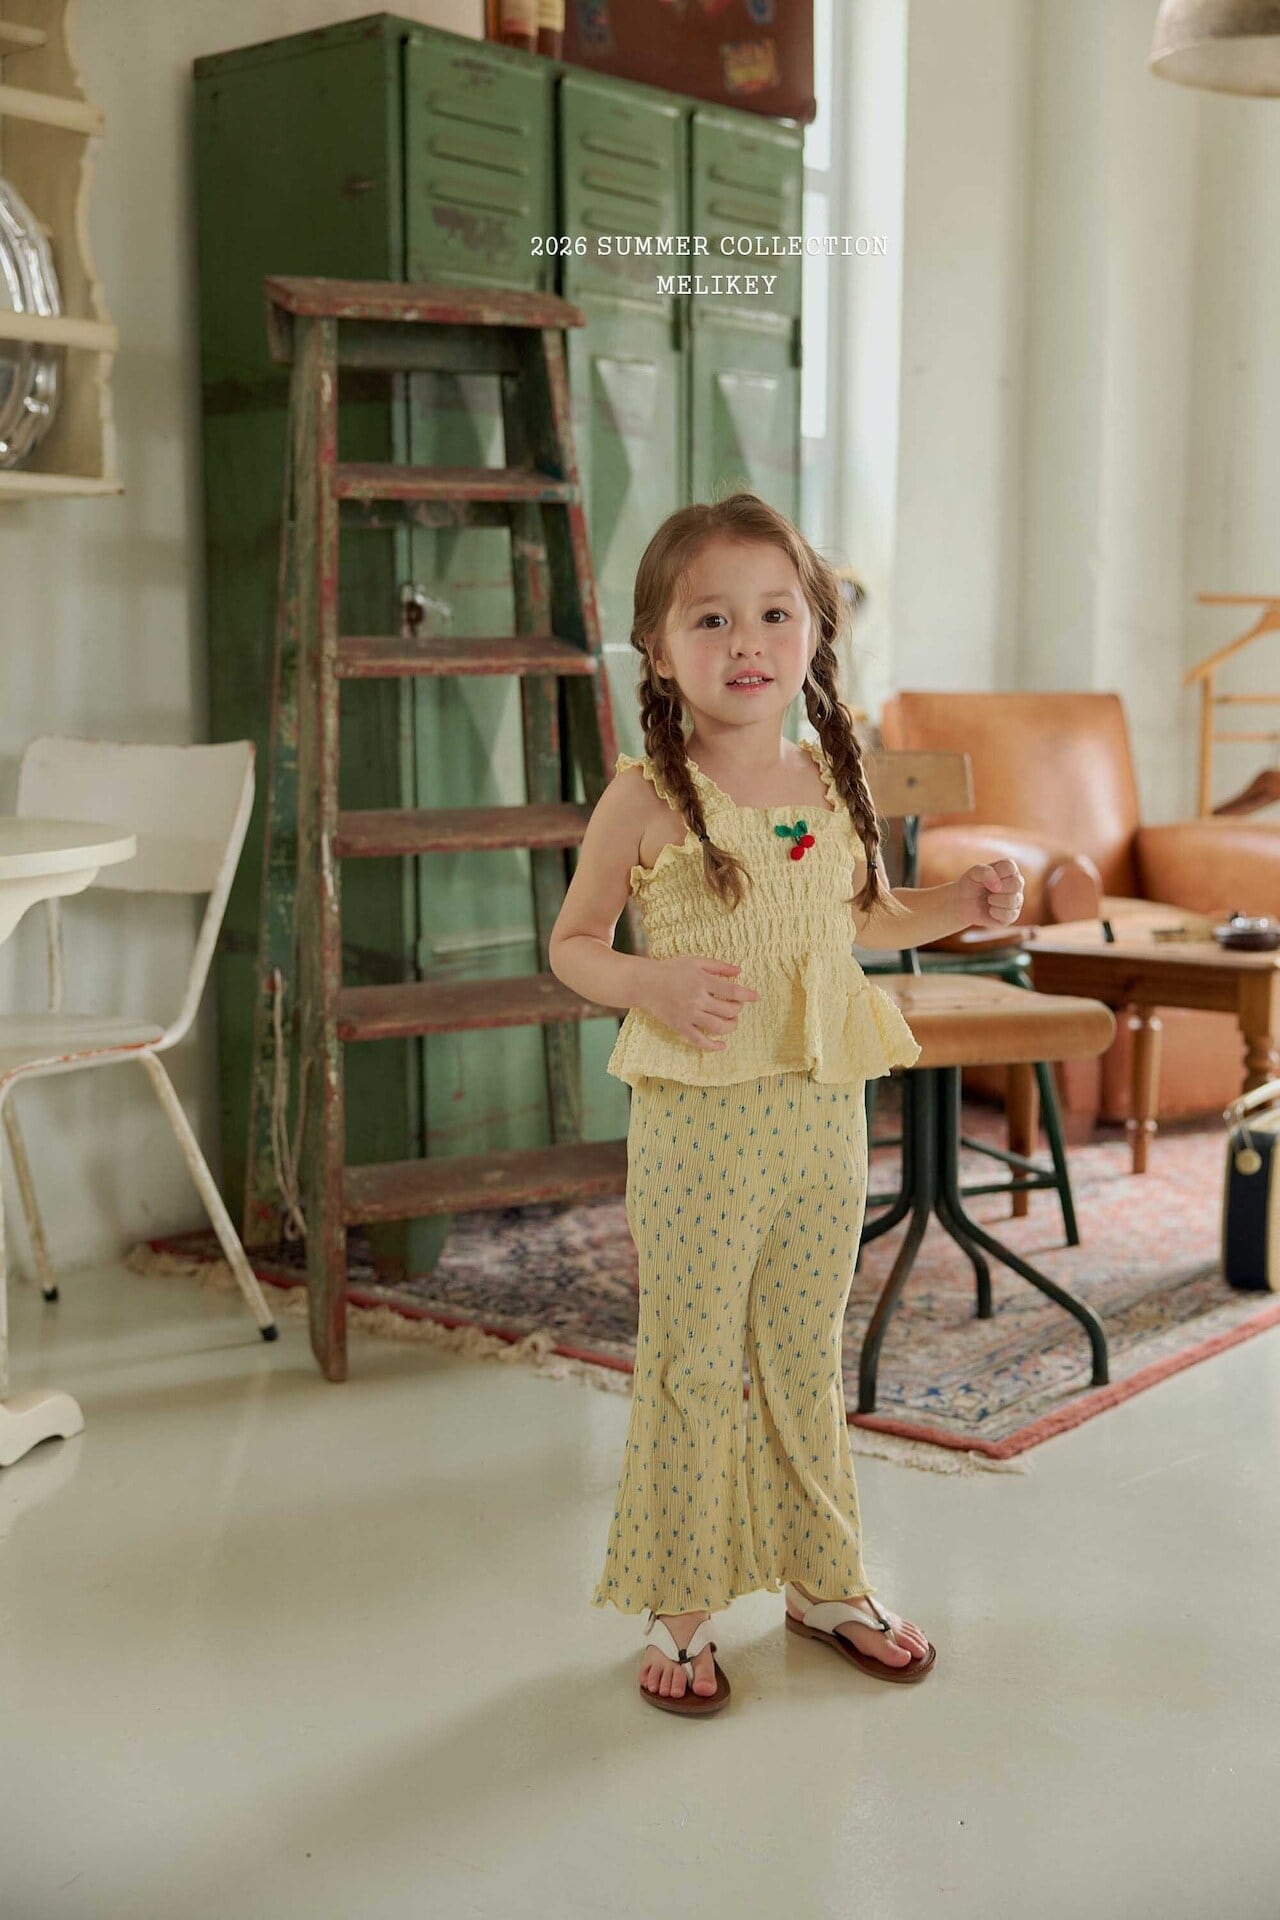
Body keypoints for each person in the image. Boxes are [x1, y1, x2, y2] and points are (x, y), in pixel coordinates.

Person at [548, 492, 1024, 1716]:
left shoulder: (829, 778)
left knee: (805, 1355)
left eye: (773, 613)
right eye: (710, 618)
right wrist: (646, 981)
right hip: (699, 1124)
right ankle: (681, 1602)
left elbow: (865, 915)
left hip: (819, 1107)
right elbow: (572, 945)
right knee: (693, 1361)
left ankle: (823, 1581)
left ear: (813, 631)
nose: (746, 642)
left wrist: (960, 906)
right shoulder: (643, 798)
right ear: (659, 650)